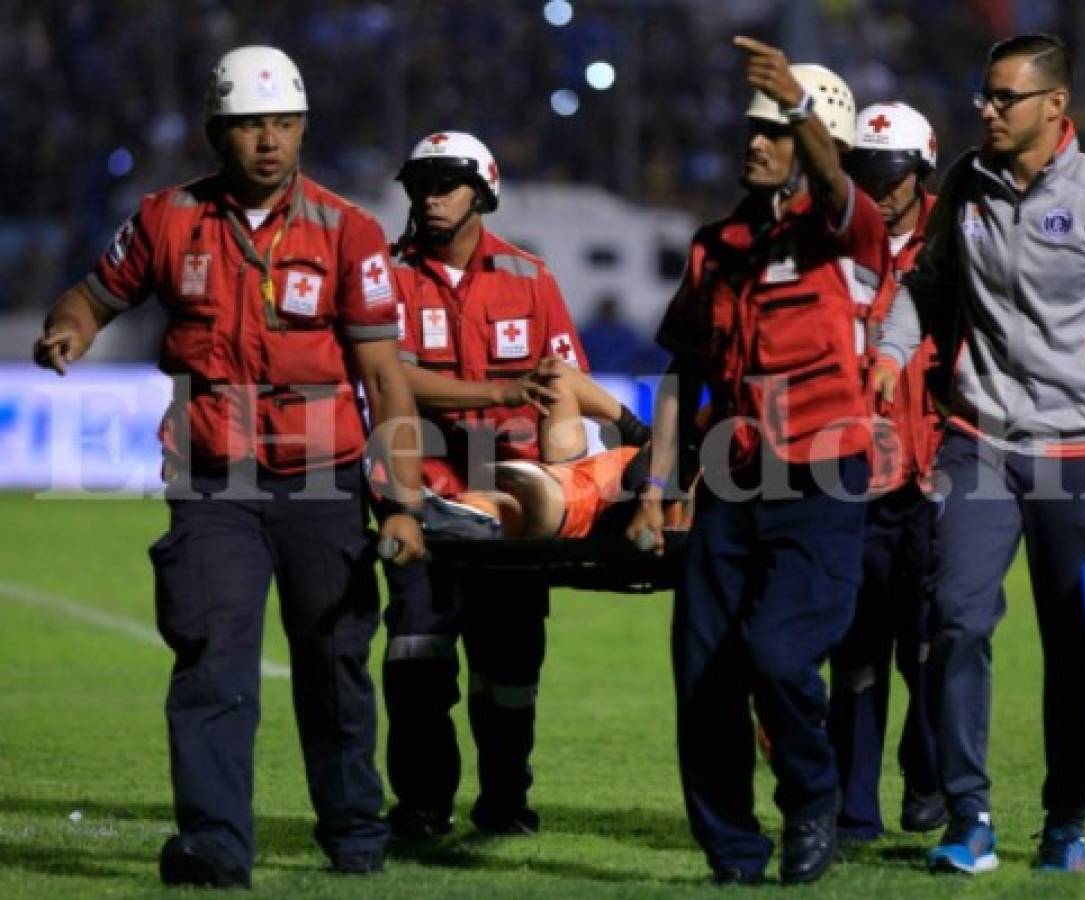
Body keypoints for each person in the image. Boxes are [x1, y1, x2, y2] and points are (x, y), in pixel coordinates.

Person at [31, 45, 426, 887]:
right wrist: (70, 329)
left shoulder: (348, 231)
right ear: (219, 131)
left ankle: (355, 831)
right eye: (251, 125)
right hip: (212, 481)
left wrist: (400, 500)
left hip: (325, 482)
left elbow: (385, 379)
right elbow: (94, 293)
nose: (269, 141)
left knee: (335, 667)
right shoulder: (166, 219)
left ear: (303, 128)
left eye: (283, 123)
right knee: (211, 664)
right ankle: (214, 846)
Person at [872, 34, 1085, 875]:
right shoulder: (964, 187)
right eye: (983, 94)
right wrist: (889, 349)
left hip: (1079, 454)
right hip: (977, 441)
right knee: (956, 619)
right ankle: (967, 817)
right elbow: (925, 287)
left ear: (1054, 106)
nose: (985, 108)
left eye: (1003, 97)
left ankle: (1065, 823)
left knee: (1073, 646)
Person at [628, 37, 892, 885]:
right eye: (751, 126)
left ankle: (811, 799)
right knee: (701, 671)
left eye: (772, 128)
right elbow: (684, 372)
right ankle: (732, 851)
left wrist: (801, 104)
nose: (753, 141)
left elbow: (836, 187)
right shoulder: (714, 246)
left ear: (818, 144)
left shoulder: (848, 235)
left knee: (778, 656)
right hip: (731, 475)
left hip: (819, 472)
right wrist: (656, 486)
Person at [382, 131, 643, 838]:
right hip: (423, 501)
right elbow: (387, 379)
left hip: (513, 515)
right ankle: (421, 809)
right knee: (416, 658)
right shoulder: (386, 278)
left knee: (511, 670)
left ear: (483, 193)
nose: (430, 197)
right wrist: (499, 392)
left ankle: (504, 803)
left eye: (446, 183)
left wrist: (619, 427)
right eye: (421, 184)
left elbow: (564, 379)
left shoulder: (530, 279)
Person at [827, 101, 946, 842]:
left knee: (931, 646)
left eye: (889, 172)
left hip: (941, 473)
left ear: (920, 172)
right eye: (863, 171)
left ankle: (927, 778)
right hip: (851, 475)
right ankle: (853, 809)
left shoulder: (962, 243)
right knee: (857, 652)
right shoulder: (829, 245)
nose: (875, 187)